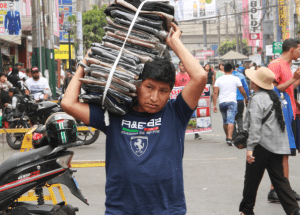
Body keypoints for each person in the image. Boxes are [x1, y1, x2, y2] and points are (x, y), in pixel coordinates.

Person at [61, 23, 208, 214]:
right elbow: (68, 104)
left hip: (167, 210)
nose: (155, 97)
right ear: (136, 85)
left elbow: (200, 77)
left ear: (170, 92)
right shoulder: (115, 113)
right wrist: (85, 62)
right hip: (120, 210)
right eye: (149, 87)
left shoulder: (176, 112)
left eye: (163, 91)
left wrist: (174, 42)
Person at [239, 67, 300, 215]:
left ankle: (246, 211)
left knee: (252, 179)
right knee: (280, 180)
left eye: (253, 79)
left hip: (261, 145)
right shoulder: (274, 96)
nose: (250, 81)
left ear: (256, 83)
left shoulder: (257, 99)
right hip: (276, 145)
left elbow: (255, 126)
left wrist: (250, 148)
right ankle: (293, 211)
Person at [267, 38, 300, 202]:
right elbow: (270, 90)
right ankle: (278, 190)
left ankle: (281, 189)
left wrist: (296, 79)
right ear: (292, 49)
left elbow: (287, 88)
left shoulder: (288, 67)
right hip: (279, 115)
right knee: (281, 153)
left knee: (285, 153)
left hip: (290, 113)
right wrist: (294, 78)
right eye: (299, 49)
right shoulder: (276, 64)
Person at [213, 63, 247, 146]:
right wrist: (245, 97)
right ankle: (229, 138)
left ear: (223, 70)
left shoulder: (219, 79)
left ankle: (227, 137)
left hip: (222, 102)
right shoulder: (235, 78)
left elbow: (215, 92)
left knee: (225, 121)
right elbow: (242, 90)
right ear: (232, 69)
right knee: (231, 120)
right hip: (232, 101)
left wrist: (214, 104)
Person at [232, 64, 249, 132]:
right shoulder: (241, 76)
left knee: (231, 118)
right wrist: (246, 98)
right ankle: (241, 132)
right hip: (240, 100)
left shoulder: (226, 76)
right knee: (239, 117)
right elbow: (246, 88)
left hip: (230, 100)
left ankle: (233, 135)